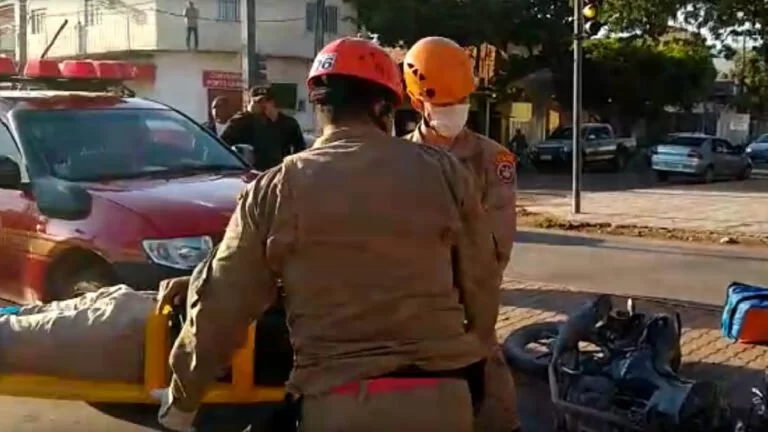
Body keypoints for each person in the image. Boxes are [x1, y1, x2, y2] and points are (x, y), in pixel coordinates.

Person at [152, 36, 500, 432]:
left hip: (338, 402)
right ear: (383, 108)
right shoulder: (446, 172)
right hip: (443, 400)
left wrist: (182, 402)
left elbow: (223, 304)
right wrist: (473, 352)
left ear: (320, 106)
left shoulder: (277, 187)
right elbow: (481, 280)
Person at [402, 36, 521, 432]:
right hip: (408, 305)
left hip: (469, 303)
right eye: (444, 103)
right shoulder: (396, 159)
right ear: (418, 103)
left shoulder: (493, 159)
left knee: (493, 400)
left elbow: (496, 245)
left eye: (461, 100)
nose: (455, 110)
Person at [250, 86, 306, 158]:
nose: (262, 105)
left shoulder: (289, 123)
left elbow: (300, 149)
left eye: (266, 101)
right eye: (257, 102)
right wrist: (247, 113)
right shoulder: (247, 122)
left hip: (282, 163)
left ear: (273, 102)